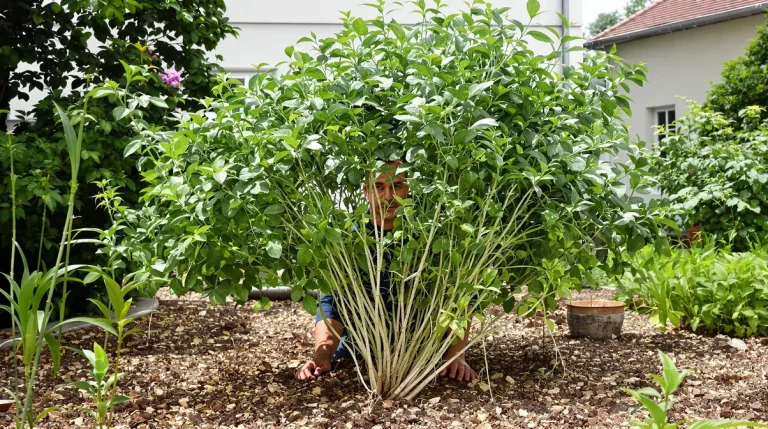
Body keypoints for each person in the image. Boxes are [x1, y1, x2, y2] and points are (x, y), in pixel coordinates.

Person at [295, 160, 478, 382]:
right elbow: (331, 303)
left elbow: (460, 295)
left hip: (423, 353)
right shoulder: (345, 238)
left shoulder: (432, 234)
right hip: (359, 352)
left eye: (397, 185)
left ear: (409, 187)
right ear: (366, 191)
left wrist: (455, 356)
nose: (389, 196)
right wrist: (322, 355)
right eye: (379, 187)